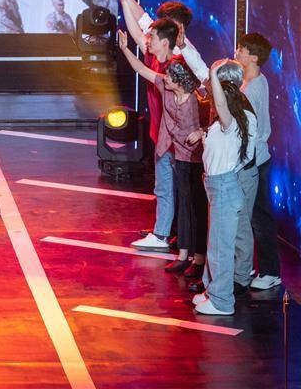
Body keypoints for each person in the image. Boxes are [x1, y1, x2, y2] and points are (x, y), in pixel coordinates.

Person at [108, 0, 197, 252]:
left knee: (176, 187)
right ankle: (167, 232)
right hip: (162, 130)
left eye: (159, 28)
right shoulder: (160, 51)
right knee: (166, 185)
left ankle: (172, 237)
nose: (151, 32)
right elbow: (140, 28)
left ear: (175, 30)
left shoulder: (180, 60)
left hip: (175, 136)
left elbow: (141, 37)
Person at [117, 37, 207, 279]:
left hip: (193, 158)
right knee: (183, 207)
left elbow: (212, 124)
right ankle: (183, 255)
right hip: (172, 150)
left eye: (169, 76)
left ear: (180, 81)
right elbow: (141, 69)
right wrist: (125, 49)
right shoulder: (166, 88)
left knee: (194, 207)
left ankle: (198, 258)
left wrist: (201, 132)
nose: (164, 78)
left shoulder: (197, 102)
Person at [189, 60, 258, 316]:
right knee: (216, 244)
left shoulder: (234, 121)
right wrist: (202, 134)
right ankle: (212, 291)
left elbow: (220, 106)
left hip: (225, 187)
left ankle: (222, 301)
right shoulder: (225, 123)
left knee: (221, 248)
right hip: (219, 188)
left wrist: (213, 74)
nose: (214, 105)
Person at [235, 33, 280, 290]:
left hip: (255, 160)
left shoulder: (252, 88)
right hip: (255, 158)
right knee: (252, 216)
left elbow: (252, 131)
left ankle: (270, 271)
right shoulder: (253, 81)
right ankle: (250, 266)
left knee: (259, 217)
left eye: (242, 49)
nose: (237, 52)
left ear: (253, 57)